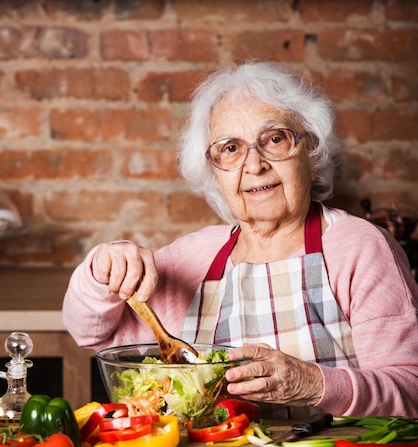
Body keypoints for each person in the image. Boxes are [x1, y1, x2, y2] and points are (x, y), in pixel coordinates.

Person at [63, 61, 418, 418]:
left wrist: (313, 384)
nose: (254, 164)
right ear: (214, 172)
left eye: (275, 139)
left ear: (311, 154)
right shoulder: (193, 258)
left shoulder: (358, 248)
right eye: (230, 148)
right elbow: (90, 333)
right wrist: (103, 266)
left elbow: (410, 388)